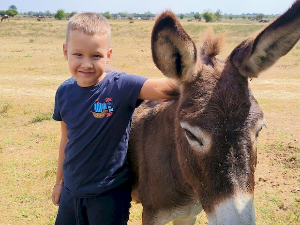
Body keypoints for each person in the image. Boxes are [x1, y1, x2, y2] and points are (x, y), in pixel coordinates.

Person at [51, 12, 175, 225]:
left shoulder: (121, 87)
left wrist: (206, 76)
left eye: (96, 56)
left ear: (108, 55)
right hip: (71, 193)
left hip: (108, 196)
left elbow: (168, 88)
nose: (87, 64)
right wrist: (59, 183)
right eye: (78, 54)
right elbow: (66, 140)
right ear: (65, 52)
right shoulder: (64, 92)